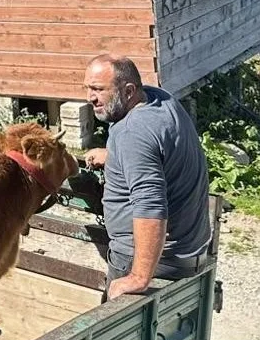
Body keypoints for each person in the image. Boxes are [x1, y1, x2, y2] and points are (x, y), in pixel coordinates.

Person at [82, 54, 213, 301]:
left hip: (153, 260)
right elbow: (158, 151)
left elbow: (150, 208)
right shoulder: (161, 100)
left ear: (129, 91)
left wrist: (139, 277)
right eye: (88, 88)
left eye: (98, 89)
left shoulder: (134, 133)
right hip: (188, 251)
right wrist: (114, 155)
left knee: (114, 336)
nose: (90, 98)